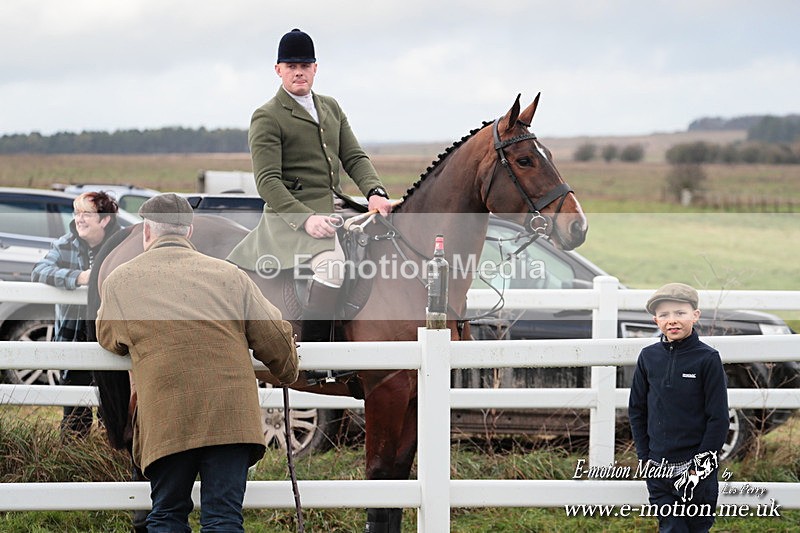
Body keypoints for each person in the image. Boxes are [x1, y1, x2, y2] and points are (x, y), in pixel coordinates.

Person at [96, 193, 299, 532]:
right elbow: (275, 339)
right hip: (231, 418)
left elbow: (109, 338)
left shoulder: (121, 280)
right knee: (223, 518)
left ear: (147, 231)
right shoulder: (231, 276)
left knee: (167, 515)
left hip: (166, 417)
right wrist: (288, 370)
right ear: (188, 232)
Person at [227, 28, 393, 349]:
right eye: (291, 66)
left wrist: (376, 192)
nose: (298, 71)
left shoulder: (330, 107)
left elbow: (354, 157)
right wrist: (305, 219)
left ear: (316, 67)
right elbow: (267, 181)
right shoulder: (267, 116)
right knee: (332, 267)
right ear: (278, 70)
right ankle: (317, 356)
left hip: (336, 207)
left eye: (305, 64)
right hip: (290, 217)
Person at [629, 283, 729, 532]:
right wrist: (645, 457)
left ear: (695, 315)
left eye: (680, 313)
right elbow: (637, 411)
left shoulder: (707, 359)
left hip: (696, 468)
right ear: (655, 320)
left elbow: (718, 418)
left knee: (697, 527)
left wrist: (701, 465)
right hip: (659, 465)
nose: (672, 320)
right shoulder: (648, 357)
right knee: (671, 527)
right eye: (664, 315)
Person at [31, 190, 122, 437]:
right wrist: (78, 278)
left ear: (105, 219)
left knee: (112, 418)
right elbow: (39, 271)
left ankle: (109, 464)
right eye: (77, 212)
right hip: (74, 339)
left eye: (86, 214)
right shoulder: (66, 243)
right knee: (74, 422)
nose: (79, 219)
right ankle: (73, 463)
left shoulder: (122, 243)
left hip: (111, 342)